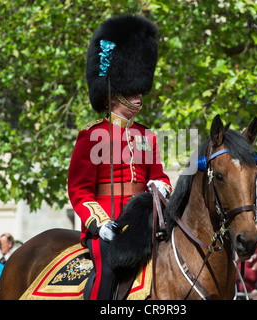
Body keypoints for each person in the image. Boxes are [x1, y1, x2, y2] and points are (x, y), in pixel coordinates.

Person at [67, 15, 171, 300]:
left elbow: (158, 175)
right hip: (107, 225)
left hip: (144, 224)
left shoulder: (147, 136)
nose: (139, 97)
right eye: (132, 91)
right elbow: (79, 190)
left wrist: (161, 186)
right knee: (108, 271)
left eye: (140, 91)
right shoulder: (91, 136)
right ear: (115, 94)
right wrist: (98, 223)